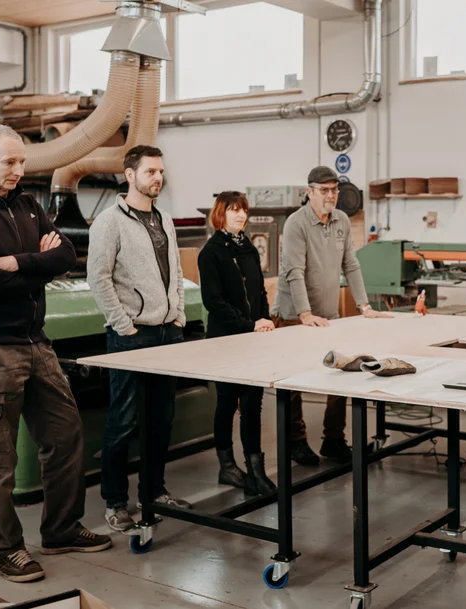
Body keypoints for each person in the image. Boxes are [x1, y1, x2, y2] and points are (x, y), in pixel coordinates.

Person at [0, 124, 112, 583]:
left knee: (66, 435)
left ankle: (60, 529)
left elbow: (67, 256)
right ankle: (4, 550)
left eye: (22, 162)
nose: (20, 170)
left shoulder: (29, 205)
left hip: (37, 342)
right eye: (10, 162)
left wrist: (19, 262)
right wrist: (35, 263)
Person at [87, 145, 192, 533]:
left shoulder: (164, 218)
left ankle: (154, 491)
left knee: (161, 419)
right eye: (150, 172)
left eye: (160, 171)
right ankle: (115, 502)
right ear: (129, 175)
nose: (158, 178)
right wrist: (122, 324)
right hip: (132, 336)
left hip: (168, 333)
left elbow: (176, 271)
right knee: (124, 421)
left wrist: (178, 314)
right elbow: (98, 278)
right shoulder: (108, 222)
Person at [271, 166, 392, 466]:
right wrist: (304, 313)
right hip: (293, 313)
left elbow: (351, 264)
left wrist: (364, 306)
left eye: (334, 190)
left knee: (340, 374)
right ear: (309, 192)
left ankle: (334, 439)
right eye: (323, 190)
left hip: (329, 313)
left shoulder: (341, 221)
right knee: (294, 381)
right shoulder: (295, 224)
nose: (330, 195)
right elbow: (294, 271)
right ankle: (296, 442)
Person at [198, 191, 278, 496]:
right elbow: (213, 302)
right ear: (220, 214)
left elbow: (259, 292)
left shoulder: (248, 248)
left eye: (243, 210)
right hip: (225, 341)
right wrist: (248, 324)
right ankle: (228, 467)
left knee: (253, 405)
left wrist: (266, 318)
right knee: (227, 403)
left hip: (253, 340)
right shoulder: (211, 252)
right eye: (233, 210)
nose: (241, 215)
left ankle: (256, 470)